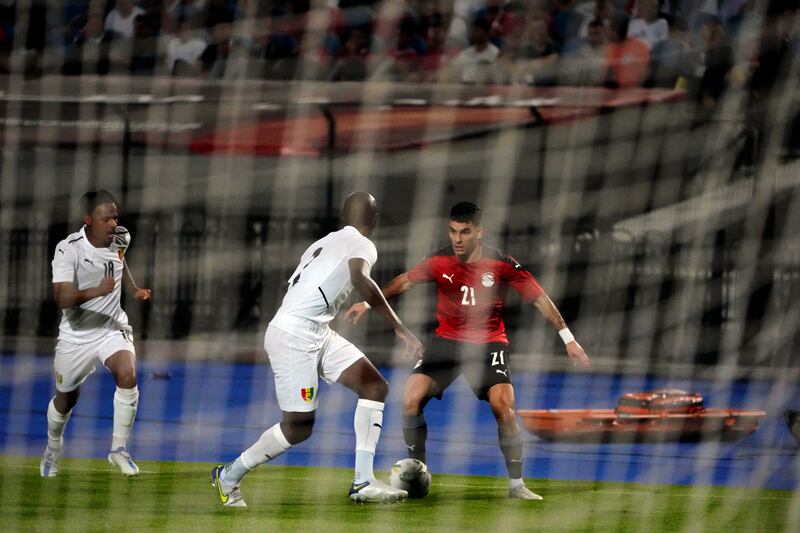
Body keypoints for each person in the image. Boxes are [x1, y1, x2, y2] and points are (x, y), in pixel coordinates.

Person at [346, 202, 591, 500]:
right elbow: (404, 281)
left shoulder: (501, 264)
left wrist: (568, 338)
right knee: (410, 399)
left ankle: (517, 485)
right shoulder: (439, 260)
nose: (457, 239)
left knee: (504, 409)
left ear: (479, 232)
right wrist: (368, 303)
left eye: (464, 232)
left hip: (489, 344)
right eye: (452, 231)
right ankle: (418, 471)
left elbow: (539, 298)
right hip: (446, 342)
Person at [211, 192, 423, 507]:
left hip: (314, 330)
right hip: (296, 335)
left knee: (374, 385)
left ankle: (362, 482)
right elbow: (359, 277)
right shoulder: (362, 244)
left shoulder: (323, 242)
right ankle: (229, 475)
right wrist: (399, 327)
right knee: (298, 427)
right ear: (373, 220)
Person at [41, 190, 152, 478]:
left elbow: (119, 262)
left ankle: (118, 450)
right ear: (88, 220)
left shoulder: (121, 238)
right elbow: (61, 297)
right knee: (66, 400)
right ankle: (53, 447)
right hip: (76, 336)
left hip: (112, 328)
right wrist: (96, 292)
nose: (113, 223)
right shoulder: (68, 249)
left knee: (128, 375)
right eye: (106, 218)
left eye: (115, 216)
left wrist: (133, 288)